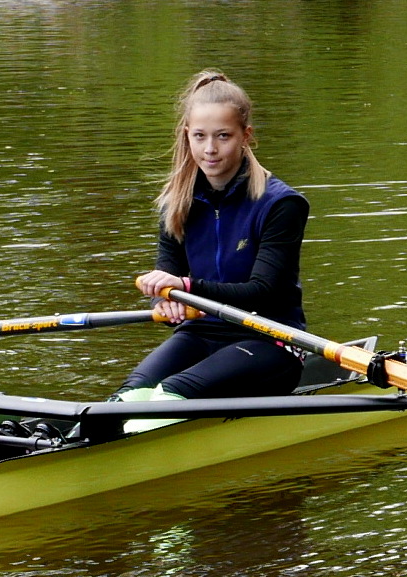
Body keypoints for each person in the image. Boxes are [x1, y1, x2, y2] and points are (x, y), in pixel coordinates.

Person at [112, 69, 309, 430]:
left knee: (171, 393)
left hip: (271, 339)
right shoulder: (176, 203)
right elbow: (168, 276)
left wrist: (185, 287)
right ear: (187, 135)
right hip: (200, 334)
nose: (210, 149)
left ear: (246, 136)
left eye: (223, 136)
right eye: (199, 136)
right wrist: (165, 300)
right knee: (127, 398)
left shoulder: (281, 204)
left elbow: (262, 292)